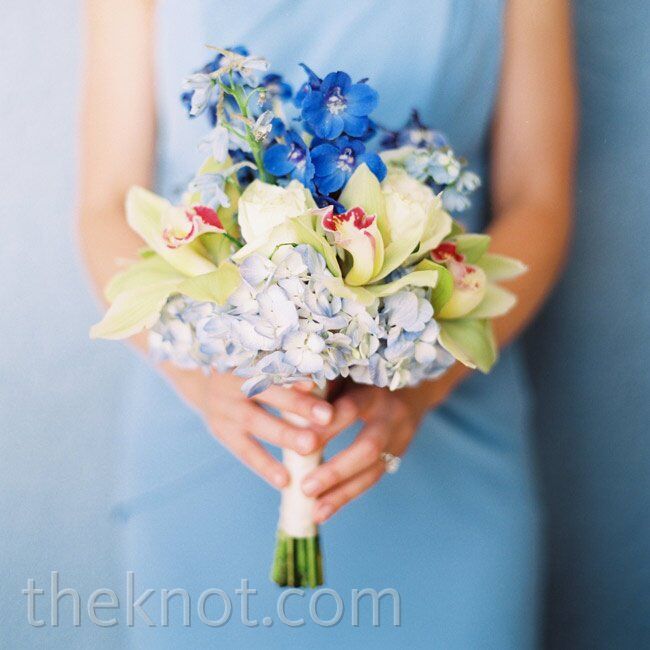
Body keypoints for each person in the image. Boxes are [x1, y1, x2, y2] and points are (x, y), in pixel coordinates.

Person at [79, 1, 575, 646]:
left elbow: (539, 198)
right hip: (213, 416)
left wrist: (422, 386)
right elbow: (104, 203)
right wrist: (201, 381)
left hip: (444, 412)